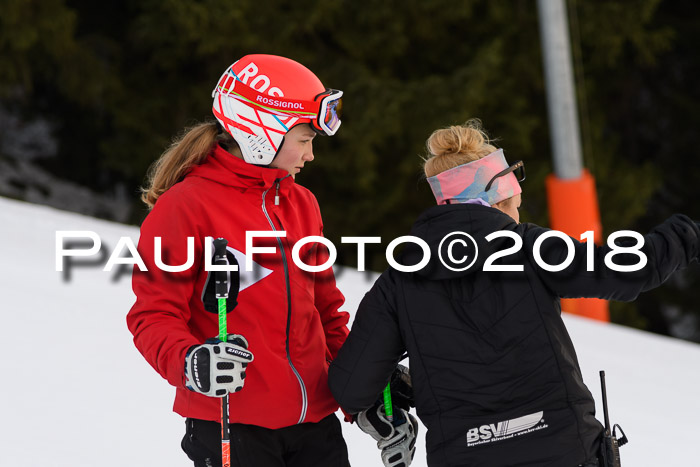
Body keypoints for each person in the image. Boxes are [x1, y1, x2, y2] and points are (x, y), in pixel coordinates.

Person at [328, 120, 700, 467]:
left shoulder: (400, 278)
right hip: (564, 449)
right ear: (501, 200)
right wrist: (689, 234)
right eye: (515, 208)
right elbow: (630, 269)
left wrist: (392, 383)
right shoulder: (527, 247)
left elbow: (351, 386)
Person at [127, 54, 351, 467]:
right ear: (262, 131)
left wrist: (362, 396)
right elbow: (153, 315)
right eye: (304, 139)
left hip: (316, 425)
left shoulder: (302, 203)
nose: (311, 154)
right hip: (234, 424)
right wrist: (192, 363)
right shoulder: (187, 206)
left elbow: (327, 313)